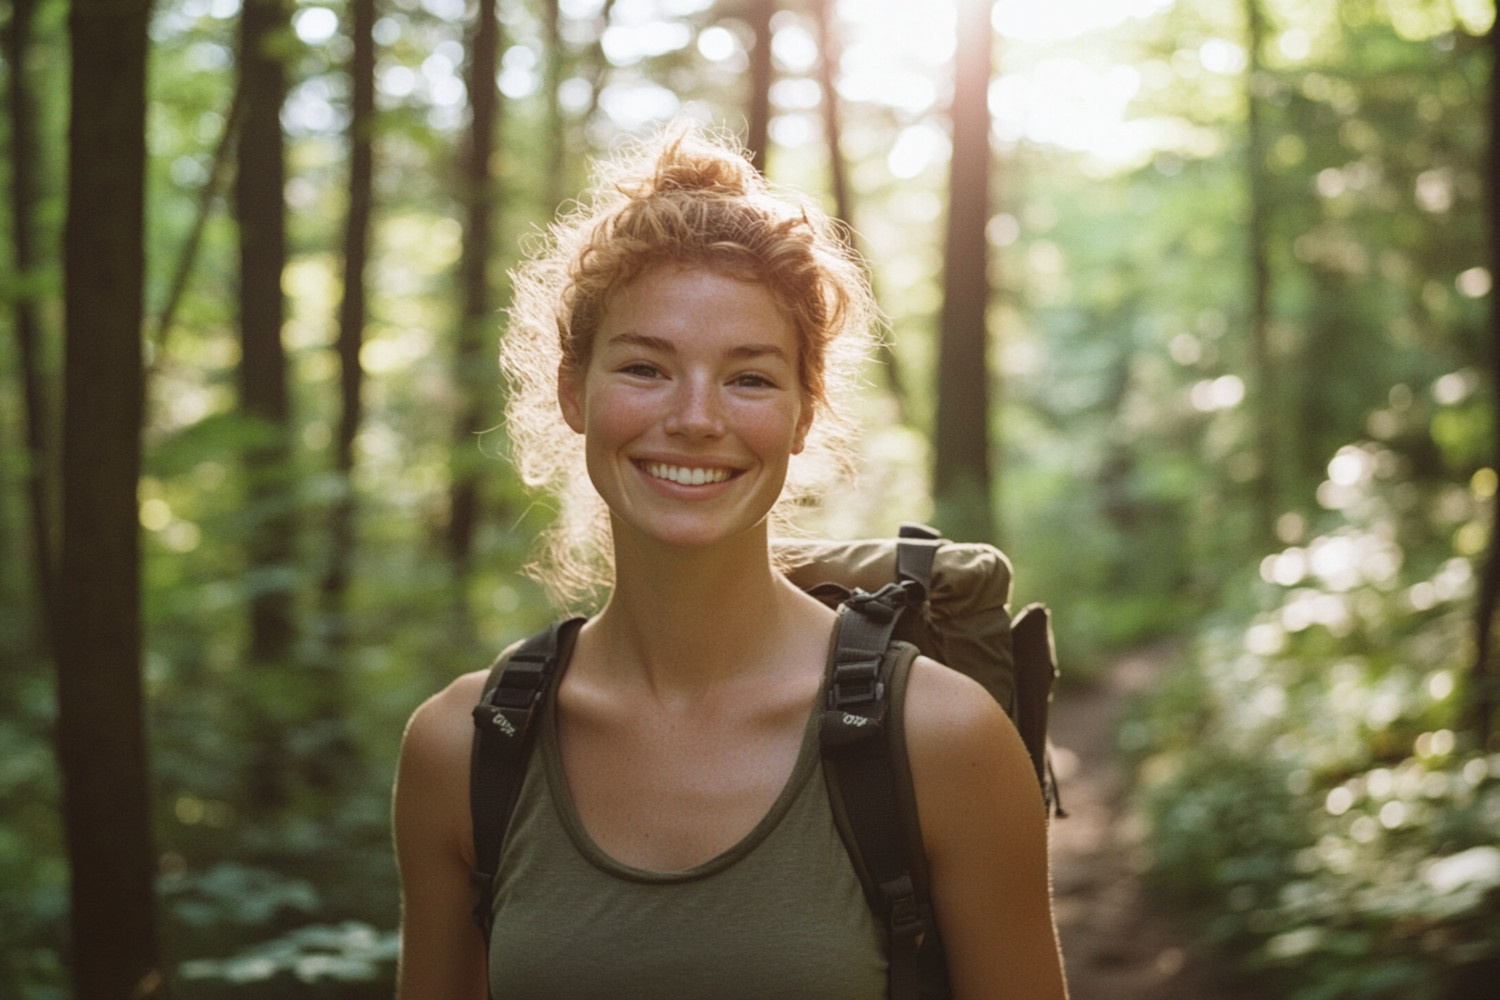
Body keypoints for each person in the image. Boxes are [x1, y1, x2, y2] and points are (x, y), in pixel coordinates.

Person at [391, 122, 1069, 1000]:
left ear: (802, 412)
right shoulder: (467, 750)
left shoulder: (942, 740)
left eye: (749, 378)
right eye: (645, 368)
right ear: (572, 390)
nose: (697, 418)